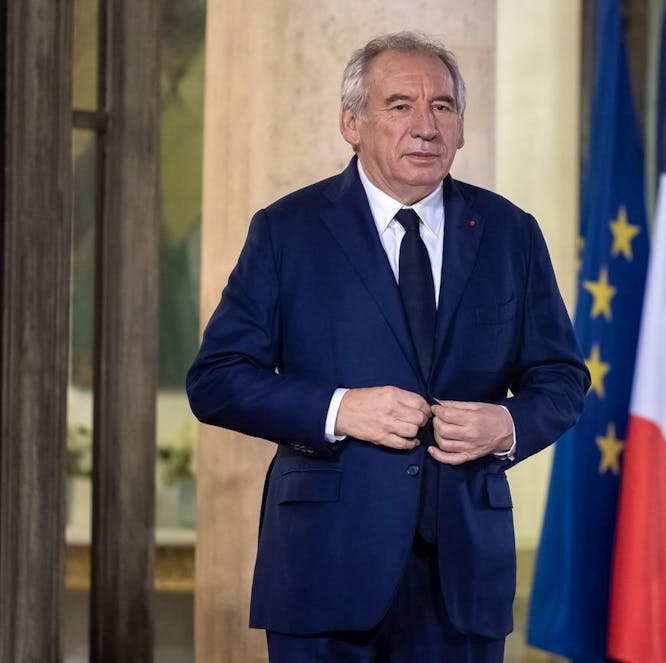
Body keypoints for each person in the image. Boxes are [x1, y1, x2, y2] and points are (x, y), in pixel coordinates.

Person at [187, 31, 589, 663]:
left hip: (463, 571)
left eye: (444, 108)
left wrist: (507, 423)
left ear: (461, 129)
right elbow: (216, 379)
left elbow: (562, 378)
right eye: (400, 105)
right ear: (352, 123)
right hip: (326, 566)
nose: (425, 127)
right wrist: (339, 410)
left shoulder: (511, 233)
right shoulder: (287, 231)